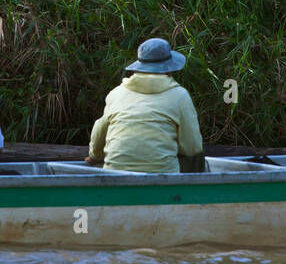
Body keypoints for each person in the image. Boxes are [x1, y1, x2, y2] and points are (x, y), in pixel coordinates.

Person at [87, 38, 205, 174]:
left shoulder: (116, 94)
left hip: (114, 175)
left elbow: (98, 134)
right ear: (169, 68)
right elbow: (192, 147)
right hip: (163, 177)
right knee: (193, 160)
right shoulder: (180, 96)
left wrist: (95, 156)